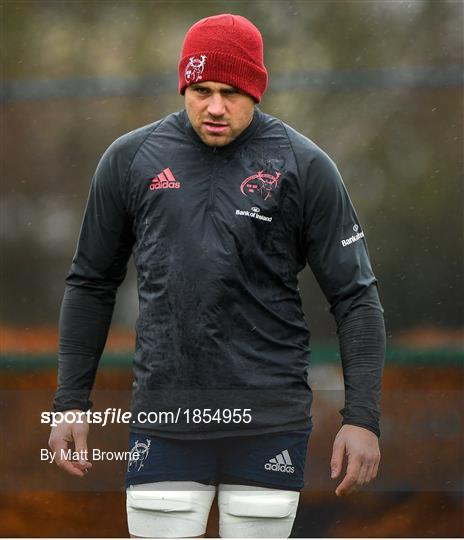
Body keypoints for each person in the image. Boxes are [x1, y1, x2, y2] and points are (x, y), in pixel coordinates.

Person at [48, 13, 386, 539]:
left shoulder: (304, 166)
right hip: (165, 419)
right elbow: (91, 283)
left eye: (231, 92)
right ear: (184, 83)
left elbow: (355, 298)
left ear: (256, 90)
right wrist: (70, 403)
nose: (214, 107)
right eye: (200, 89)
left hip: (268, 419)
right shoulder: (129, 160)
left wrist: (361, 417)